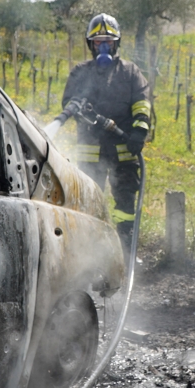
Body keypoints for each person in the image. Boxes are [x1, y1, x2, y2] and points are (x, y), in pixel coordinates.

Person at [61, 13, 150, 251]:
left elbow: (142, 103)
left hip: (125, 149)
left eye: (108, 41)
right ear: (90, 44)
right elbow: (68, 103)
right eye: (98, 41)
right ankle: (91, 251)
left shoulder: (130, 72)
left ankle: (126, 250)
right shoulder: (80, 72)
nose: (103, 46)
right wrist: (87, 116)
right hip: (91, 152)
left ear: (116, 43)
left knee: (125, 204)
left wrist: (140, 131)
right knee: (88, 202)